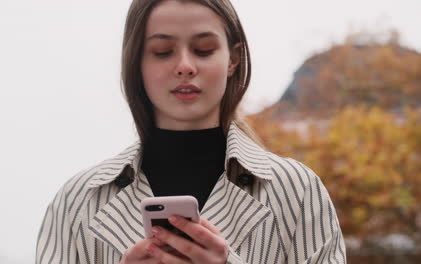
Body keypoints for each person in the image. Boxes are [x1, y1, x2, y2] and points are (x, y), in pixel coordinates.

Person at [36, 0, 346, 263]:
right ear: (136, 62)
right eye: (162, 51)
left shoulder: (297, 191)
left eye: (203, 49)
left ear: (233, 59)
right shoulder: (78, 201)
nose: (185, 66)